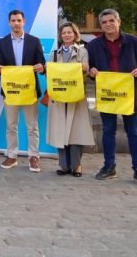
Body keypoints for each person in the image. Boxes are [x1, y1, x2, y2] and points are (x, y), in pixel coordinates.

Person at [88, 8, 137, 187]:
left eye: (111, 21)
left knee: (133, 132)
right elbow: (90, 67)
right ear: (101, 25)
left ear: (118, 21)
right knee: (108, 131)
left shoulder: (135, 42)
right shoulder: (93, 45)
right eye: (104, 22)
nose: (108, 24)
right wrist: (91, 71)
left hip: (130, 94)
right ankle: (109, 167)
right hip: (108, 94)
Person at [0, 9, 46, 172]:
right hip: (11, 91)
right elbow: (0, 65)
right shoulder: (2, 43)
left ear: (24, 22)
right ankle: (12, 155)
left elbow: (42, 65)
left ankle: (34, 156)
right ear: (9, 23)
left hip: (29, 90)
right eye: (13, 20)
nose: (16, 23)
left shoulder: (34, 41)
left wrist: (41, 67)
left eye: (19, 20)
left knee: (32, 126)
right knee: (11, 125)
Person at [45, 22, 95, 177]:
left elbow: (85, 74)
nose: (66, 35)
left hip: (76, 98)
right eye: (64, 33)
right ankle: (64, 165)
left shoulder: (82, 52)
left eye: (69, 32)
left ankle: (77, 165)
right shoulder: (54, 54)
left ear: (75, 34)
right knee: (60, 132)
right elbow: (50, 76)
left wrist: (85, 69)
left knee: (75, 133)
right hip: (59, 98)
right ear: (61, 36)